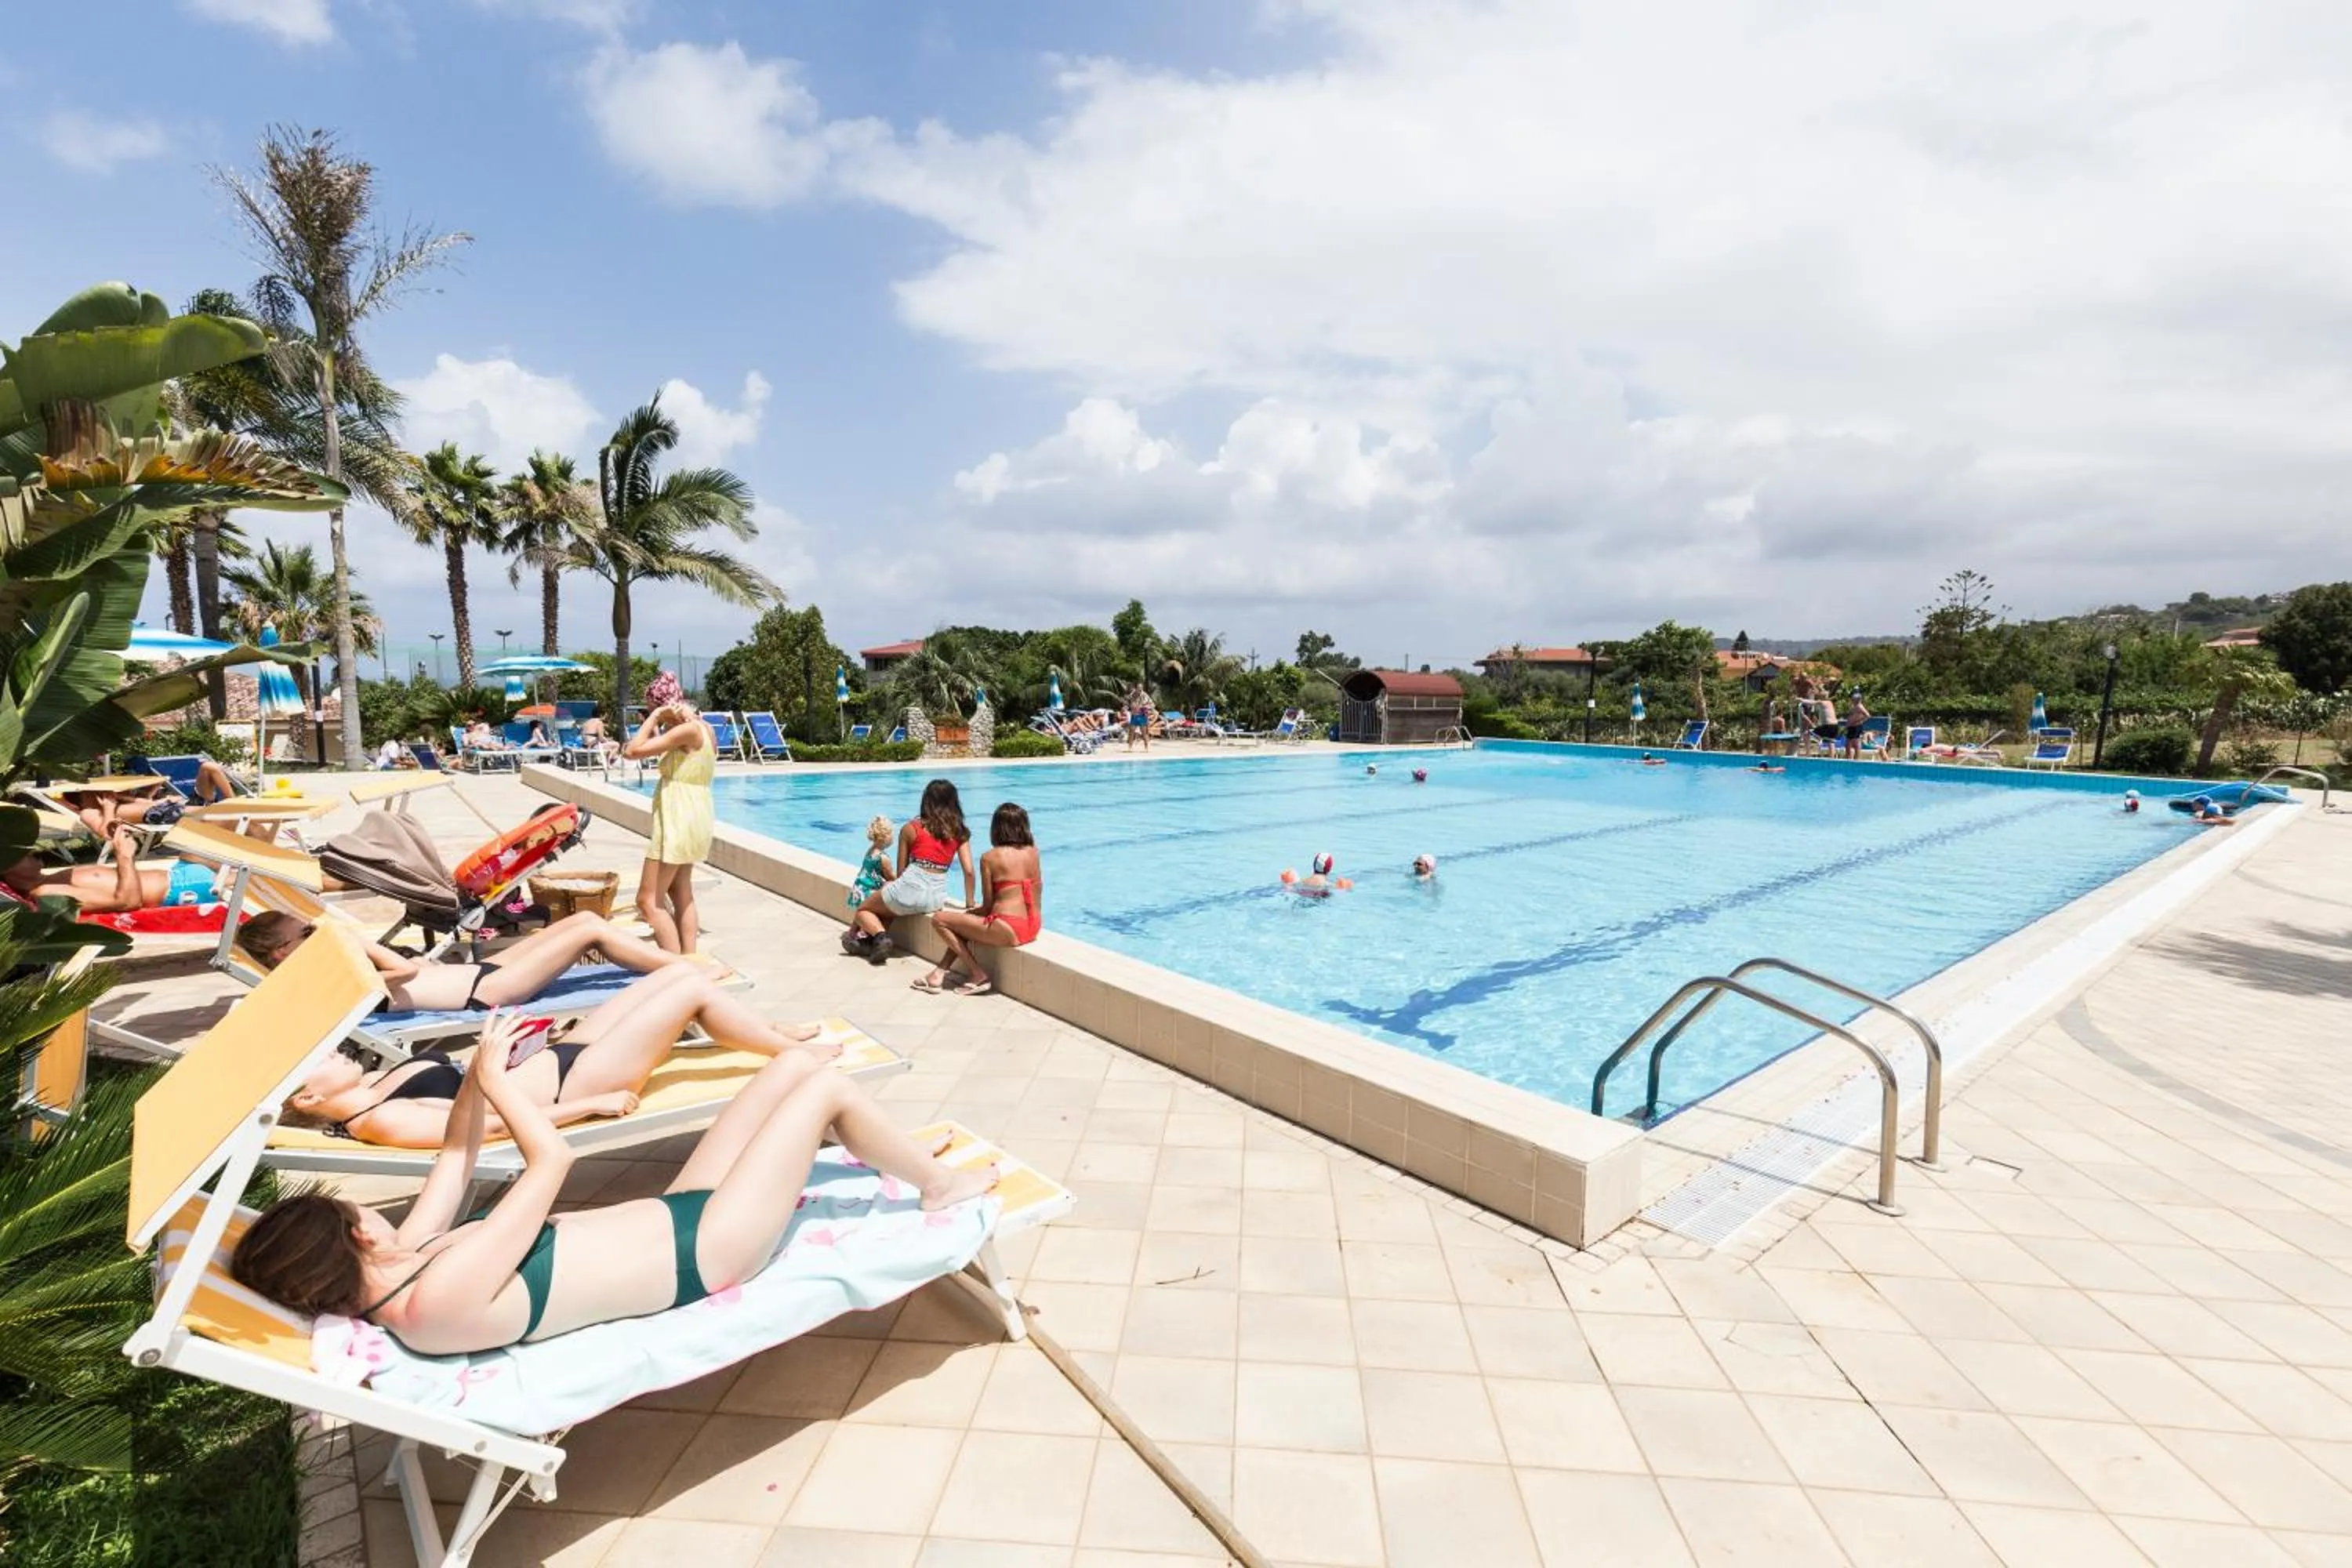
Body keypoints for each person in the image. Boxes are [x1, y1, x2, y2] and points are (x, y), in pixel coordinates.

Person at [229, 1011, 998, 1355]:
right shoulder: (439, 1295)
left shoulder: (406, 1261)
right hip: (713, 1247)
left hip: (680, 1212)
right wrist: (499, 1089)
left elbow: (457, 1159)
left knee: (799, 1066)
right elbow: (552, 1162)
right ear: (355, 1232)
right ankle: (937, 1184)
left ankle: (883, 1149)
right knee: (826, 1093)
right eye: (356, 1208)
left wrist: (480, 1072)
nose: (369, 1210)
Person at [278, 964, 837, 1147]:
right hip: (576, 1082)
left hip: (562, 1052)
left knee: (678, 973)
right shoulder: (382, 1119)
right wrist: (592, 1104)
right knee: (691, 995)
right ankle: (792, 1053)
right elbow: (494, 1128)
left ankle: (772, 1030)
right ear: (310, 1096)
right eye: (320, 1059)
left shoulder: (384, 1079)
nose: (333, 1049)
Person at [231, 908, 766, 1019]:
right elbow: (403, 973)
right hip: (487, 992)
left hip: (480, 973)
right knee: (591, 930)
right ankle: (682, 970)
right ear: (282, 953)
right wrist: (351, 942)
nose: (312, 931)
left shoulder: (318, 965)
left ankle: (677, 965)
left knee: (573, 921)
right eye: (300, 933)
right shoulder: (325, 977)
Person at [622, 689, 716, 954]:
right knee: (680, 891)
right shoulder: (706, 728)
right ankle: (689, 959)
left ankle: (676, 969)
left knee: (648, 900)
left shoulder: (686, 731)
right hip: (695, 814)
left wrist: (652, 718)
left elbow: (632, 751)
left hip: (678, 817)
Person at [845, 779, 975, 963]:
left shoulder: (911, 828)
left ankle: (880, 938)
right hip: (935, 899)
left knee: (863, 909)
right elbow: (969, 871)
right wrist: (970, 902)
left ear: (926, 801)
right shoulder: (960, 832)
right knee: (887, 907)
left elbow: (901, 873)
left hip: (908, 891)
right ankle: (871, 942)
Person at [920, 803, 1043, 996]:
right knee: (965, 925)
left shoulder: (990, 858)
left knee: (940, 919)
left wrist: (970, 913)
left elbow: (987, 907)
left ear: (996, 828)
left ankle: (978, 975)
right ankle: (939, 973)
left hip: (1008, 928)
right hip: (1033, 925)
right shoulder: (1034, 852)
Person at [5, 829, 227, 913]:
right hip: (180, 889)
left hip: (179, 872)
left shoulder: (50, 880)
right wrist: (124, 857)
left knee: (211, 830)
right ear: (7, 869)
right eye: (24, 856)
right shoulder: (46, 893)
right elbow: (128, 902)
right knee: (251, 875)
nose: (33, 854)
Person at [848, 815, 895, 913]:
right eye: (892, 834)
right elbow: (891, 878)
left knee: (862, 913)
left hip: (858, 890)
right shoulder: (883, 858)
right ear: (886, 837)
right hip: (868, 893)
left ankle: (854, 929)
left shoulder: (870, 851)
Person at [1840, 690, 1872, 759]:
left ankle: (1856, 759)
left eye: (1852, 699)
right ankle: (1849, 758)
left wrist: (1857, 721)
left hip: (1855, 727)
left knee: (1855, 744)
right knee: (1848, 744)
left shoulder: (1859, 706)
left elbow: (1868, 715)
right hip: (1851, 727)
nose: (1851, 700)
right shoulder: (1854, 706)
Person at [1123, 683, 1152, 752]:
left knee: (1144, 733)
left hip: (1142, 715)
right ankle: (1129, 748)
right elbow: (1127, 703)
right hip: (1134, 715)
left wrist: (1146, 707)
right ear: (1136, 688)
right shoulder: (1132, 695)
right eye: (1139, 688)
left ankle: (1147, 747)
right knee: (1131, 732)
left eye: (1141, 688)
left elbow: (1152, 704)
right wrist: (1126, 708)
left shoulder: (1144, 695)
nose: (1140, 689)